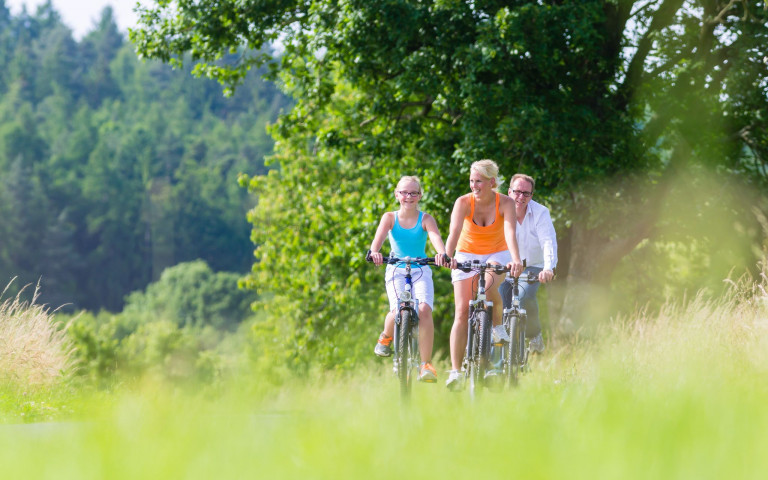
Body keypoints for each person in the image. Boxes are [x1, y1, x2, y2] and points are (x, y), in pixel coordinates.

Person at [444, 160, 523, 390]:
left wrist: (516, 259)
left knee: (489, 288)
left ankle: (497, 327)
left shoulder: (506, 203)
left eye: (478, 181)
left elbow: (510, 232)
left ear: (492, 182)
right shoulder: (463, 202)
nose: (473, 185)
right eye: (471, 180)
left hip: (497, 252)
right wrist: (447, 256)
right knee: (461, 311)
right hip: (467, 252)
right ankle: (456, 372)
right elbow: (454, 232)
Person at [369, 175, 448, 383]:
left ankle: (425, 364)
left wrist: (441, 253)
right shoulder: (390, 218)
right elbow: (377, 241)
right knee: (396, 310)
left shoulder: (426, 219)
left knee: (424, 310)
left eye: (414, 193)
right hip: (396, 268)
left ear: (420, 196)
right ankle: (386, 336)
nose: (409, 197)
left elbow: (435, 237)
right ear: (397, 195)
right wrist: (375, 252)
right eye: (404, 192)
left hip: (420, 269)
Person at [500, 173, 557, 353]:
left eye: (526, 193)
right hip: (506, 265)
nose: (521, 197)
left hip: (534, 265)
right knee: (501, 302)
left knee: (524, 296)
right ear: (509, 192)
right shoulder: (499, 211)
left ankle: (534, 335)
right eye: (517, 192)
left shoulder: (540, 213)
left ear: (532, 195)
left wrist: (548, 268)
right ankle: (503, 356)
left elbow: (548, 241)